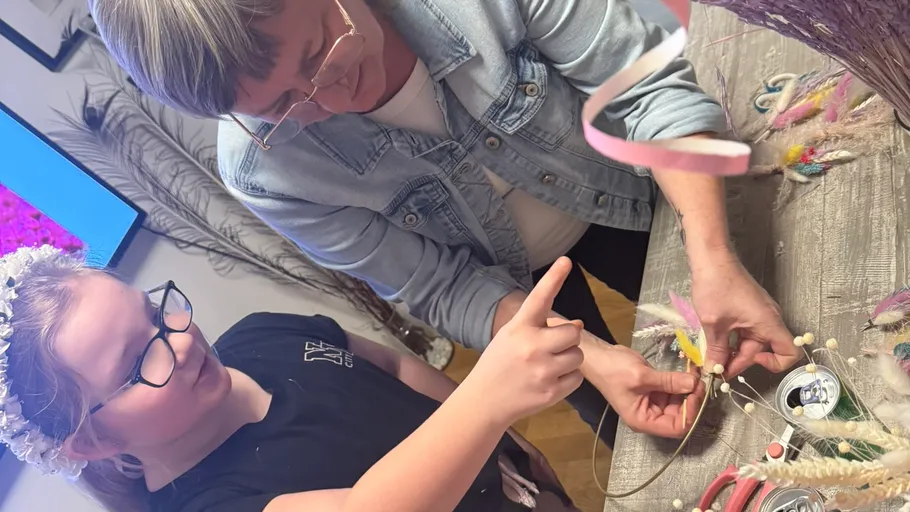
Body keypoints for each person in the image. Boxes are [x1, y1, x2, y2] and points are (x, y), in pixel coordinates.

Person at [89, 0, 799, 443]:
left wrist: (711, 255)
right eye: (280, 107)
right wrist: (588, 358)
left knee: (767, 298)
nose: (331, 99)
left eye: (320, 54)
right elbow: (440, 285)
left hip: (622, 178)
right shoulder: (261, 171)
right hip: (508, 291)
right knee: (638, 431)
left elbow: (644, 87)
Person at [1, 245, 656, 511]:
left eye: (155, 311)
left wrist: (511, 445)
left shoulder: (260, 335)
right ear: (86, 443)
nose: (179, 336)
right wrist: (490, 402)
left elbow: (397, 367)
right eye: (137, 362)